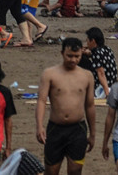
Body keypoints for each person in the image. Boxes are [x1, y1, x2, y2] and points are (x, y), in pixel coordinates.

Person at [36, 38, 96, 175]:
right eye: (69, 56)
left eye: (77, 56)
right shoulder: (49, 74)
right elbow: (41, 101)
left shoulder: (87, 76)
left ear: (82, 54)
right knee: (51, 170)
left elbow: (90, 105)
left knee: (75, 171)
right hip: (55, 128)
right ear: (62, 53)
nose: (73, 60)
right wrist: (39, 126)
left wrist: (92, 133)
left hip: (78, 129)